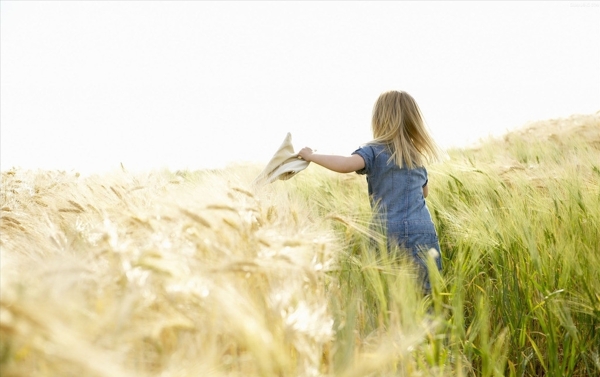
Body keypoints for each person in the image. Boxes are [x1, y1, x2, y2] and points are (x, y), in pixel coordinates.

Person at [298, 90, 442, 293]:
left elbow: (346, 164)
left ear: (379, 120)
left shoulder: (373, 151)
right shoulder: (416, 157)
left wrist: (312, 156)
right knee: (426, 293)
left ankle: (395, 324)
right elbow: (423, 193)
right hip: (422, 230)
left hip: (387, 231)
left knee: (390, 293)